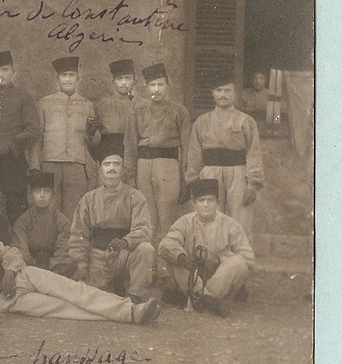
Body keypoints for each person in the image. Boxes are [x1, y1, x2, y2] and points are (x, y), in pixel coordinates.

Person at [0, 207, 164, 324]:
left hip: (23, 275)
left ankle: (132, 310)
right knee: (65, 309)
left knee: (73, 290)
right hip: (3, 299)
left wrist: (9, 271)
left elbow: (9, 251)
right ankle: (129, 314)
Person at [70, 136, 157, 301]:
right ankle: (115, 285)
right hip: (97, 257)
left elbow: (144, 229)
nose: (111, 168)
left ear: (123, 169)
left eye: (116, 164)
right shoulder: (88, 199)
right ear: (100, 168)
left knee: (146, 249)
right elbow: (78, 235)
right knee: (93, 300)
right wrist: (81, 263)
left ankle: (135, 296)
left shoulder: (135, 196)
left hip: (122, 256)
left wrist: (126, 241)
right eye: (107, 164)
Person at [158, 178, 255, 316]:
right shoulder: (184, 222)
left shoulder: (230, 224)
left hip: (219, 279)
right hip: (190, 275)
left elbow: (248, 257)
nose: (205, 204)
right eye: (201, 200)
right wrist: (182, 258)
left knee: (239, 262)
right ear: (194, 203)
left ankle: (196, 298)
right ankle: (207, 300)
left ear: (218, 203)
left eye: (210, 200)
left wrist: (225, 260)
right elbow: (165, 244)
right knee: (176, 260)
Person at [185, 75, 264, 238]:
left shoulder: (246, 121)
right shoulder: (201, 122)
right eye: (219, 91)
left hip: (238, 173)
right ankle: (210, 258)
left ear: (235, 93)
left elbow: (253, 152)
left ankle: (240, 259)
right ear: (212, 93)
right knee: (209, 216)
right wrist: (193, 181)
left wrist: (252, 184)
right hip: (210, 174)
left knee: (241, 219)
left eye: (227, 90)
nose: (223, 95)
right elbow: (194, 153)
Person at [0, 50, 41, 222]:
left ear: (13, 71)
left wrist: (11, 145)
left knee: (13, 207)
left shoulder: (24, 98)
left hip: (13, 163)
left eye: (5, 70)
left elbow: (33, 130)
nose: (1, 74)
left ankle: (14, 247)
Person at [124, 62, 191, 237]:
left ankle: (167, 263)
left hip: (168, 166)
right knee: (147, 219)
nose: (156, 89)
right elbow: (130, 146)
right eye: (152, 85)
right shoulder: (137, 111)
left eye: (160, 84)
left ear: (168, 85)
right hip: (143, 166)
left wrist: (185, 180)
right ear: (146, 87)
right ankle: (149, 263)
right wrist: (130, 178)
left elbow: (186, 148)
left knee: (169, 218)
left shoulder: (180, 112)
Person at [32, 55, 99, 218]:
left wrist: (92, 133)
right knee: (49, 210)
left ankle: (71, 244)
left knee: (74, 212)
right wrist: (35, 167)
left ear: (78, 78)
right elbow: (37, 138)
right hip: (50, 163)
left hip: (76, 166)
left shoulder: (87, 105)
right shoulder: (45, 103)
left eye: (71, 75)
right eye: (64, 75)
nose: (67, 79)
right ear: (57, 78)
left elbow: (95, 142)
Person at [11, 169, 77, 275]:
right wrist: (33, 264)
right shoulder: (22, 222)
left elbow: (63, 251)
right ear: (30, 194)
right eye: (37, 191)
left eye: (46, 191)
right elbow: (20, 250)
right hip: (30, 266)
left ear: (53, 195)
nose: (42, 195)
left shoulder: (62, 221)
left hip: (55, 267)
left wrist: (51, 266)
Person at [95, 60, 140, 175]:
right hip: (109, 158)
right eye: (119, 79)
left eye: (127, 78)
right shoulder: (102, 106)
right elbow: (94, 141)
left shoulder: (143, 105)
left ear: (134, 81)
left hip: (136, 160)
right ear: (113, 82)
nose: (123, 83)